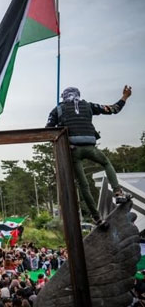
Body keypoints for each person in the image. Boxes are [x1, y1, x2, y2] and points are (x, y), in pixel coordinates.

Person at [46, 85, 132, 225]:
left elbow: (48, 132)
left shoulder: (58, 109)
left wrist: (61, 133)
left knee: (83, 185)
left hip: (73, 149)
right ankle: (118, 192)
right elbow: (113, 109)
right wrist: (125, 96)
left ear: (64, 97)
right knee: (106, 163)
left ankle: (96, 217)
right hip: (90, 146)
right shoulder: (89, 106)